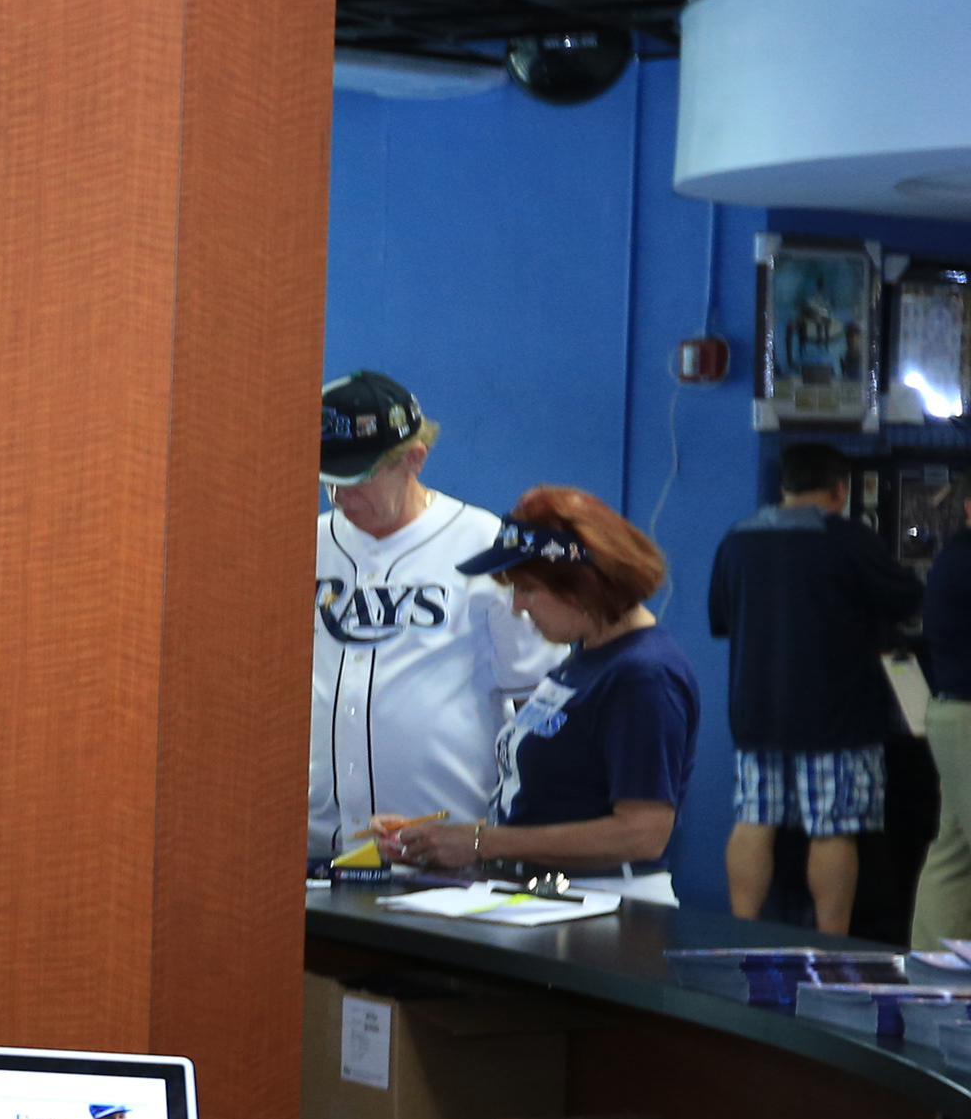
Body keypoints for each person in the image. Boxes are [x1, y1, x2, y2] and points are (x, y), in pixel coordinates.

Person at [388, 487, 700, 903]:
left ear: (581, 586)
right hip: (548, 895)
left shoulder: (643, 676)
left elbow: (642, 833)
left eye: (527, 589)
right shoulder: (588, 658)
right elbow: (554, 805)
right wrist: (437, 840)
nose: (518, 606)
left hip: (605, 902)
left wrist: (482, 843)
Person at [312, 370, 555, 855]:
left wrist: (516, 830)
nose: (341, 496)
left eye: (357, 478)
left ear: (414, 459)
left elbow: (541, 703)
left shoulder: (485, 544)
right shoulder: (304, 542)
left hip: (448, 847)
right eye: (329, 480)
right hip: (313, 849)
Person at [709, 441, 924, 934]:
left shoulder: (737, 539)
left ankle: (741, 932)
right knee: (833, 829)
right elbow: (906, 599)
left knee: (754, 820)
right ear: (840, 490)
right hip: (836, 718)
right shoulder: (847, 539)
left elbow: (722, 619)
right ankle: (832, 945)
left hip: (756, 713)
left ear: (784, 484)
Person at [918, 519, 971, 954]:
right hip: (966, 715)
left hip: (951, 713)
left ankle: (932, 966)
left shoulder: (953, 557)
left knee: (954, 855)